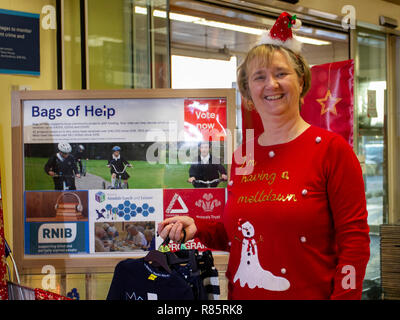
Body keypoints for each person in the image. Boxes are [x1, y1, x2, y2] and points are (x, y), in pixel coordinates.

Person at [158, 12, 370, 300]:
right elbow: (239, 231)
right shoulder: (243, 155)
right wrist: (199, 228)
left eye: (281, 73)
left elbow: (354, 241)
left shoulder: (332, 151)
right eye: (260, 77)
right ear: (248, 90)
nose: (271, 84)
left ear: (301, 79)